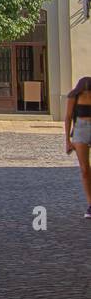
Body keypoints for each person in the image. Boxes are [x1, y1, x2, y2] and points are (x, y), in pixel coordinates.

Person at [64, 76, 91, 219]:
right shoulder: (73, 96)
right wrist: (67, 140)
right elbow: (68, 117)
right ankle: (90, 204)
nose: (87, 94)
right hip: (80, 130)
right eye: (84, 92)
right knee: (85, 170)